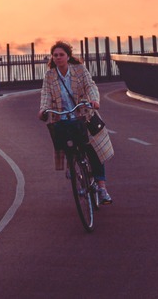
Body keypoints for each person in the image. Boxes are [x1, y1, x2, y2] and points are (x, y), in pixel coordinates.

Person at [38, 41, 113, 204]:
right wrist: (43, 109)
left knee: (93, 150)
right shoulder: (50, 75)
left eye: (61, 54)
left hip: (82, 115)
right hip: (63, 117)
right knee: (64, 143)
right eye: (55, 55)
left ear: (68, 56)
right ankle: (73, 168)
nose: (58, 58)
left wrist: (94, 100)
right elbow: (46, 94)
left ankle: (102, 188)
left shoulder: (79, 70)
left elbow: (90, 85)